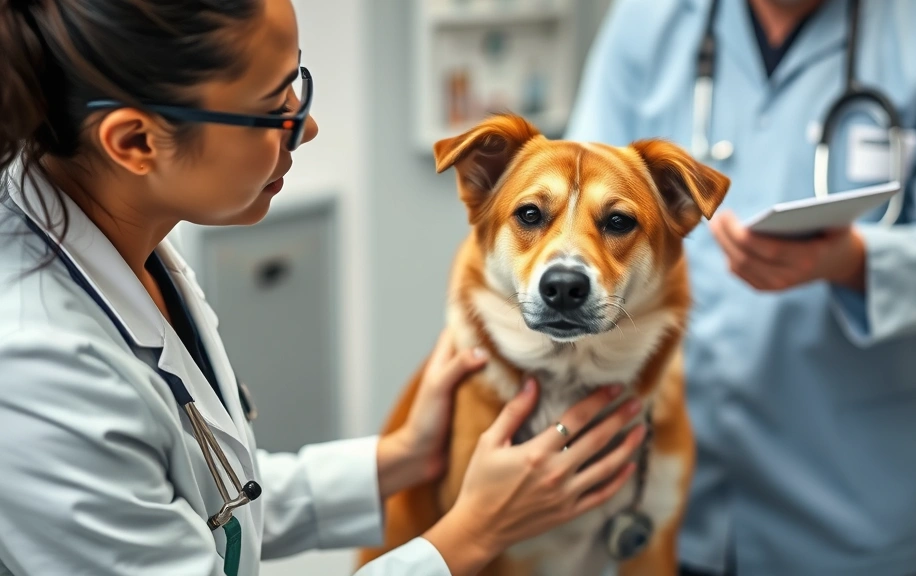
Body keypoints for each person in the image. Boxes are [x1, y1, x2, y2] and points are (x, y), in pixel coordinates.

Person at [0, 1, 646, 575]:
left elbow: (216, 501)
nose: (304, 127)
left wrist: (401, 456)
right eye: (272, 106)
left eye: (296, 85)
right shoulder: (36, 367)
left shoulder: (119, 241)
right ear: (137, 141)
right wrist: (473, 535)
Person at [565, 0, 916, 574]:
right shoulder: (651, 17)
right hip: (662, 499)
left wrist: (856, 262)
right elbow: (573, 209)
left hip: (857, 510)